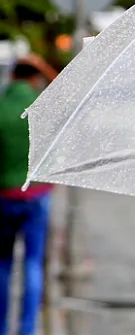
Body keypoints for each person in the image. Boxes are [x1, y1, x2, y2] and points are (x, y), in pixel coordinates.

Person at [0, 55, 56, 335]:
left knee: (3, 264)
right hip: (37, 195)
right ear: (35, 77)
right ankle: (26, 329)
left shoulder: (1, 105)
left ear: (12, 77)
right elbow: (70, 93)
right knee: (33, 263)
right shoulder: (41, 106)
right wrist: (43, 64)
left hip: (4, 195)